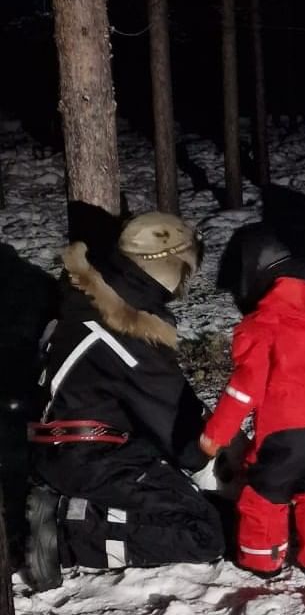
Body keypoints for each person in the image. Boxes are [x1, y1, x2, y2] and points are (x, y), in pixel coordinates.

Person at [23, 212, 225, 592]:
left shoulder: (92, 298)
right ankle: (67, 533)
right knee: (203, 531)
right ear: (168, 269)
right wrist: (211, 459)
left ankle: (69, 510)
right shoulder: (124, 332)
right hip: (89, 456)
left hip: (64, 445)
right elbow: (176, 425)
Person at [199, 226, 305, 578]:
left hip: (289, 437)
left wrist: (215, 434)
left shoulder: (266, 325)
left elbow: (243, 389)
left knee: (265, 495)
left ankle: (261, 561)